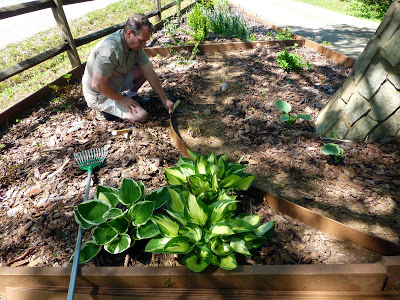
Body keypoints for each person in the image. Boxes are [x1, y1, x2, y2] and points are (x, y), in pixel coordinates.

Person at [82, 13, 174, 122]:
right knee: (141, 116)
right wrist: (121, 99)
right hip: (99, 94)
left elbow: (149, 71)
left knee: (146, 67)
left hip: (116, 82)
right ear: (129, 33)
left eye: (146, 41)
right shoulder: (109, 50)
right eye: (141, 41)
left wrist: (164, 99)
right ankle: (102, 111)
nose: (144, 45)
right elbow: (97, 84)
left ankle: (131, 95)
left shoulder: (136, 46)